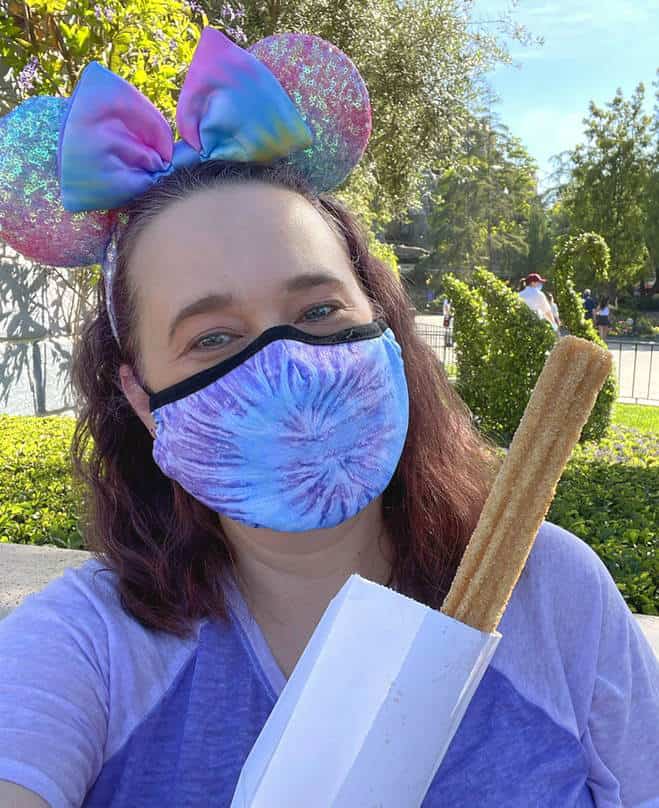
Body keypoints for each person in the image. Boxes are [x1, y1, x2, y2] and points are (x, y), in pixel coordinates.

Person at [0, 28, 658, 808]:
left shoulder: (552, 593)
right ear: (141, 399)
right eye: (212, 337)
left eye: (317, 310)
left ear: (382, 327)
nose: (288, 364)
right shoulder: (85, 649)